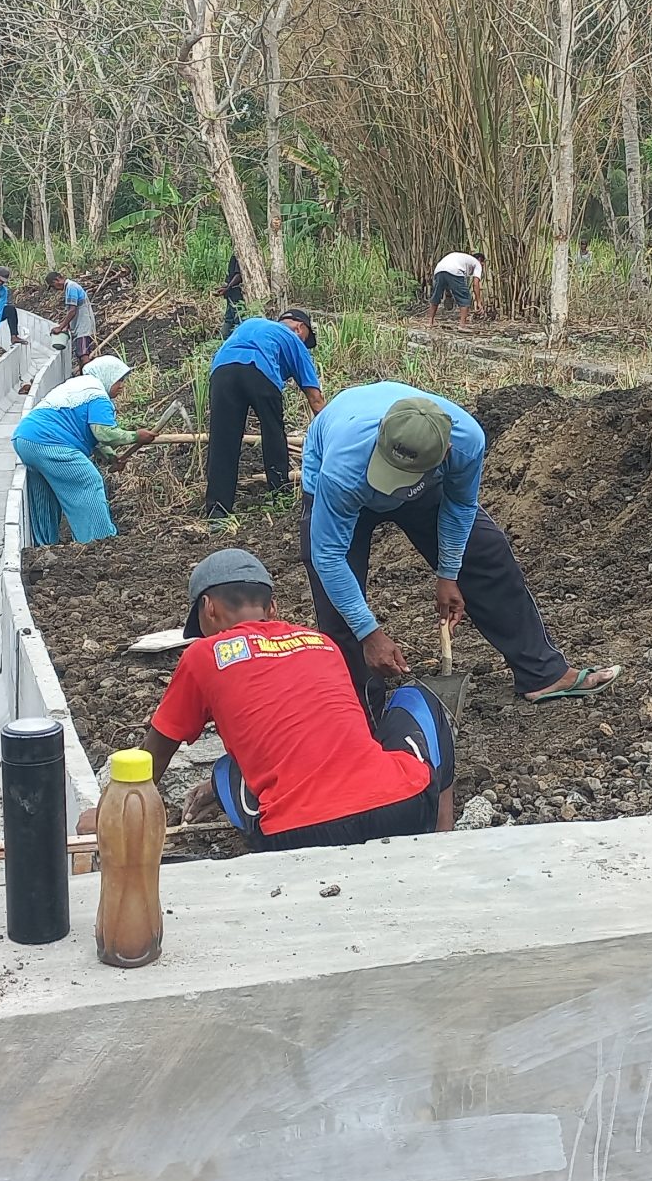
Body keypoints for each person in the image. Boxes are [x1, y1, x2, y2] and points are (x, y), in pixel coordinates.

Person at [300, 381, 620, 716]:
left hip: (425, 486)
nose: (392, 490)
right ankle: (362, 715)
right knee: (338, 606)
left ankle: (543, 673)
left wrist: (448, 574)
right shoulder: (343, 465)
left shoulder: (466, 442)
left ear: (446, 453)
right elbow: (329, 555)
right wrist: (369, 633)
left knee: (485, 554)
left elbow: (460, 506)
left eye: (401, 477)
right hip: (349, 485)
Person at [102, 549, 456, 851]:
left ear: (207, 608)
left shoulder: (205, 654)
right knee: (417, 698)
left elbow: (156, 752)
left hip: (298, 833)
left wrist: (107, 816)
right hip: (400, 808)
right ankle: (442, 841)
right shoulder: (321, 643)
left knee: (227, 768)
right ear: (273, 608)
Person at [13, 354, 155, 544]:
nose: (122, 386)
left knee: (45, 496)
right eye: (119, 380)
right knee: (88, 480)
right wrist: (136, 436)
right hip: (49, 442)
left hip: (25, 439)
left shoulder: (80, 387)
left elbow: (92, 436)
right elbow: (105, 433)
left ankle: (44, 546)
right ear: (107, 375)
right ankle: (100, 541)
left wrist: (111, 458)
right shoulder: (97, 396)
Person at [203, 309, 327, 519]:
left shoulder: (252, 324)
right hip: (260, 369)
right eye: (306, 340)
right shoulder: (294, 339)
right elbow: (315, 399)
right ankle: (280, 494)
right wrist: (330, 434)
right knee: (273, 432)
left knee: (223, 440)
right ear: (299, 328)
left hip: (222, 370)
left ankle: (217, 509)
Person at [45, 270, 96, 362]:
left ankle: (87, 375)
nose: (55, 289)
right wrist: (67, 326)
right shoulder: (69, 287)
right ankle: (83, 374)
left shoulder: (71, 287)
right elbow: (72, 310)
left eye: (53, 286)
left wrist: (60, 327)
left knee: (84, 354)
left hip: (83, 327)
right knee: (81, 354)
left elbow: (72, 311)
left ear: (57, 280)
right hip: (80, 327)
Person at [427, 249, 483, 329]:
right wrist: (479, 302)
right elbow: (475, 284)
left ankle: (430, 321)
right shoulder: (477, 263)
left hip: (439, 269)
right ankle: (462, 325)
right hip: (455, 270)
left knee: (436, 295)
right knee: (465, 297)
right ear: (480, 260)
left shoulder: (464, 258)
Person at [218, 252, 245, 334]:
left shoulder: (240, 255)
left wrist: (227, 288)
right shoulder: (236, 255)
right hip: (232, 293)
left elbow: (238, 275)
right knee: (232, 319)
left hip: (236, 293)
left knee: (236, 319)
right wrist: (226, 288)